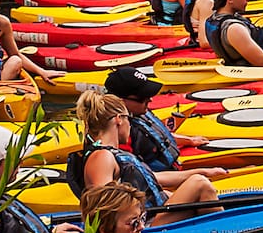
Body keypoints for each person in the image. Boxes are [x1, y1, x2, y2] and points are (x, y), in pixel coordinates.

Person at [65, 87, 218, 209]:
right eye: (128, 119)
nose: (130, 125)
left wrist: (202, 171)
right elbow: (103, 205)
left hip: (153, 215)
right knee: (200, 183)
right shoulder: (101, 156)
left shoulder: (109, 153)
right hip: (145, 225)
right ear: (119, 120)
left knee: (197, 180)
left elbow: (152, 178)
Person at [103, 66, 229, 191]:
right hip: (160, 184)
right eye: (142, 98)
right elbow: (139, 177)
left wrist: (189, 141)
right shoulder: (119, 135)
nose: (150, 99)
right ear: (121, 101)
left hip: (173, 171)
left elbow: (157, 137)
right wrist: (199, 174)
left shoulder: (138, 113)